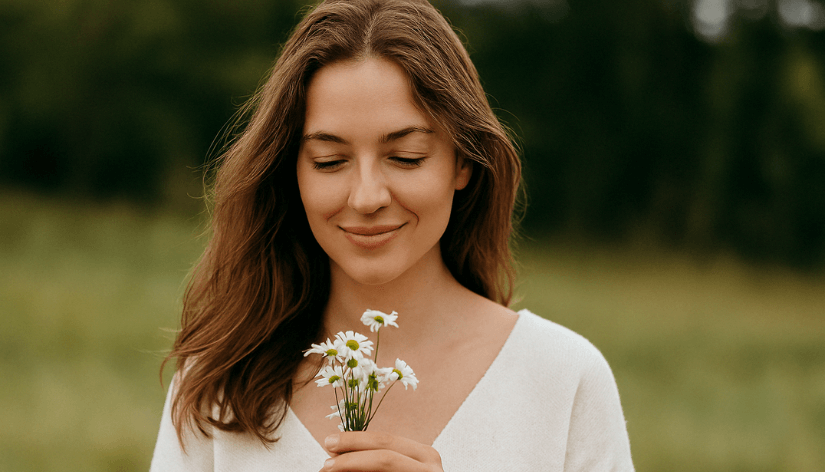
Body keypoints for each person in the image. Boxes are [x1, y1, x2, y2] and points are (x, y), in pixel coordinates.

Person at [150, 0, 634, 470]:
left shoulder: (563, 379)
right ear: (291, 172)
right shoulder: (219, 386)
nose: (366, 197)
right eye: (330, 161)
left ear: (462, 161)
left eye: (406, 157)